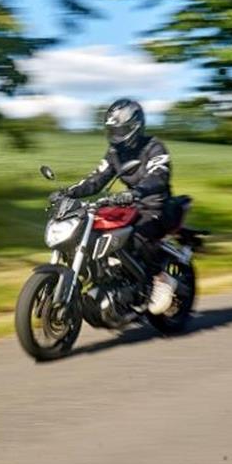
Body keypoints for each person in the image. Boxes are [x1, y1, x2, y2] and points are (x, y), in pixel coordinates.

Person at [57, 98, 179, 314]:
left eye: (120, 129)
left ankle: (161, 279)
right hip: (129, 204)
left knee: (137, 235)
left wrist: (136, 192)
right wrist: (68, 192)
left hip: (156, 205)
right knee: (98, 230)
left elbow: (158, 177)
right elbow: (96, 178)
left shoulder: (154, 147)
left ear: (135, 127)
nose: (116, 134)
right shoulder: (115, 153)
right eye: (112, 129)